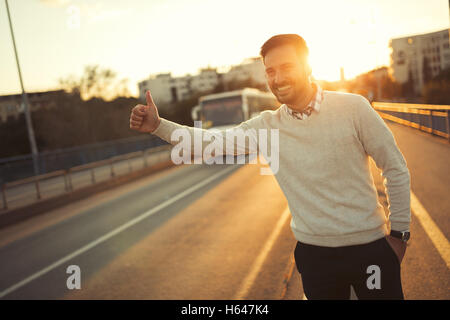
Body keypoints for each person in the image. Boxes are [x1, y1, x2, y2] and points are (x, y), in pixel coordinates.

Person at [129, 34, 411, 300]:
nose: (277, 78)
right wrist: (158, 126)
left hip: (369, 250)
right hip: (315, 257)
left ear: (307, 67)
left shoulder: (353, 108)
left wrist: (399, 236)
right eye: (270, 71)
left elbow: (394, 167)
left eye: (286, 67)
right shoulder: (267, 126)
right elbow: (210, 142)